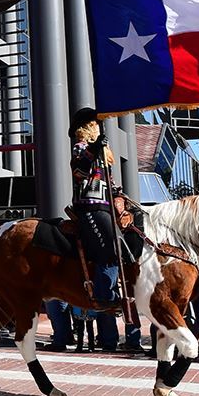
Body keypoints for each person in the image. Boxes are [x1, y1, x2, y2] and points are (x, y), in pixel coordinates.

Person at [69, 106, 122, 352]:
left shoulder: (102, 154)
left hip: (106, 207)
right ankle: (104, 299)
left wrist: (121, 197)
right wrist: (94, 148)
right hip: (90, 207)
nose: (98, 127)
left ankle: (113, 300)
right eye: (95, 124)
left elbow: (109, 182)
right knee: (110, 252)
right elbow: (80, 171)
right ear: (88, 128)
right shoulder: (81, 148)